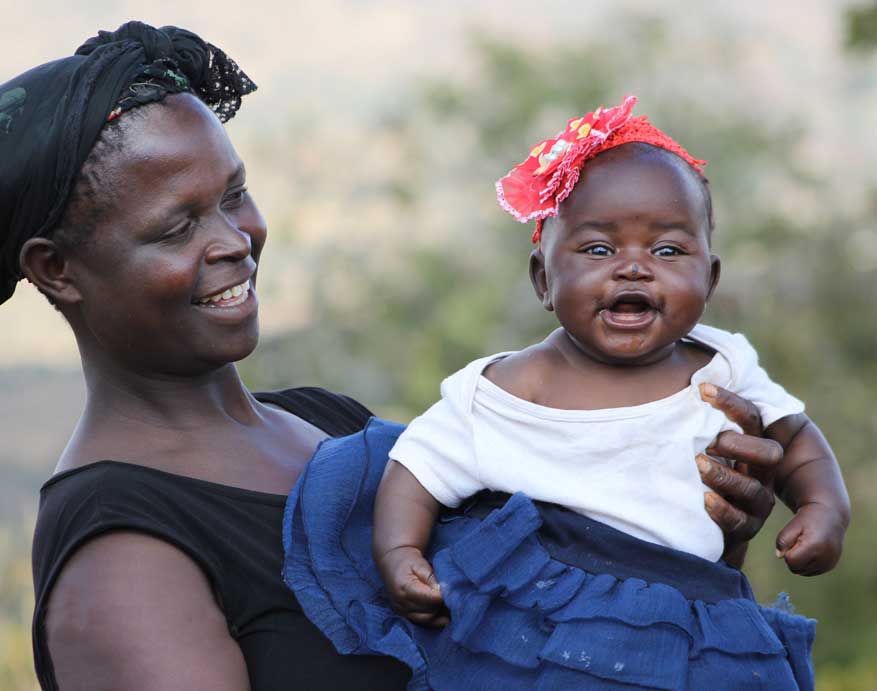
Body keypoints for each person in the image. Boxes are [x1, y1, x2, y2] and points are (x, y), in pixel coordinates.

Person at [0, 24, 792, 691]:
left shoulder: (331, 426)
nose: (234, 239)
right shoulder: (125, 555)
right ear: (58, 270)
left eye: (233, 193)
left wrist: (698, 531)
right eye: (175, 225)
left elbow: (559, 636)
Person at [283, 97, 849, 690]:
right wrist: (400, 553)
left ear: (709, 278)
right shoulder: (509, 387)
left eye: (668, 250)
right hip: (550, 616)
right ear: (543, 280)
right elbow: (417, 466)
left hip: (696, 617)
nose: (634, 268)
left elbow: (797, 439)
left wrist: (823, 510)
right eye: (599, 249)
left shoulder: (725, 363)